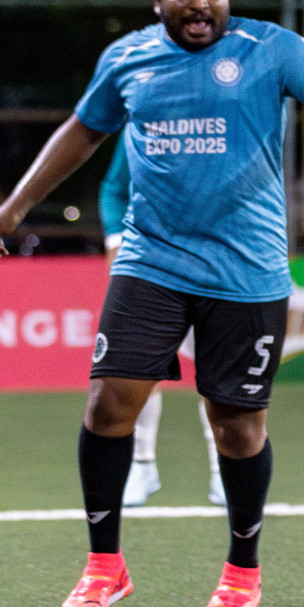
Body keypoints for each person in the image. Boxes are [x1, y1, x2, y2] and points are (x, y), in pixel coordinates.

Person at [0, 0, 304, 607]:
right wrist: (15, 207)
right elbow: (81, 132)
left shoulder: (270, 48)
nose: (200, 4)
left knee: (238, 427)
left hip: (247, 272)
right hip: (152, 262)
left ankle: (241, 574)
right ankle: (105, 567)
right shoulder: (127, 58)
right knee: (108, 405)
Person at [99, 135, 227, 507]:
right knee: (141, 370)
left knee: (216, 369)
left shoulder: (221, 123)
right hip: (150, 264)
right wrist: (113, 242)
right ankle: (141, 464)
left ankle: (222, 467)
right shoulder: (143, 119)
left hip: (212, 261)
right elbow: (113, 188)